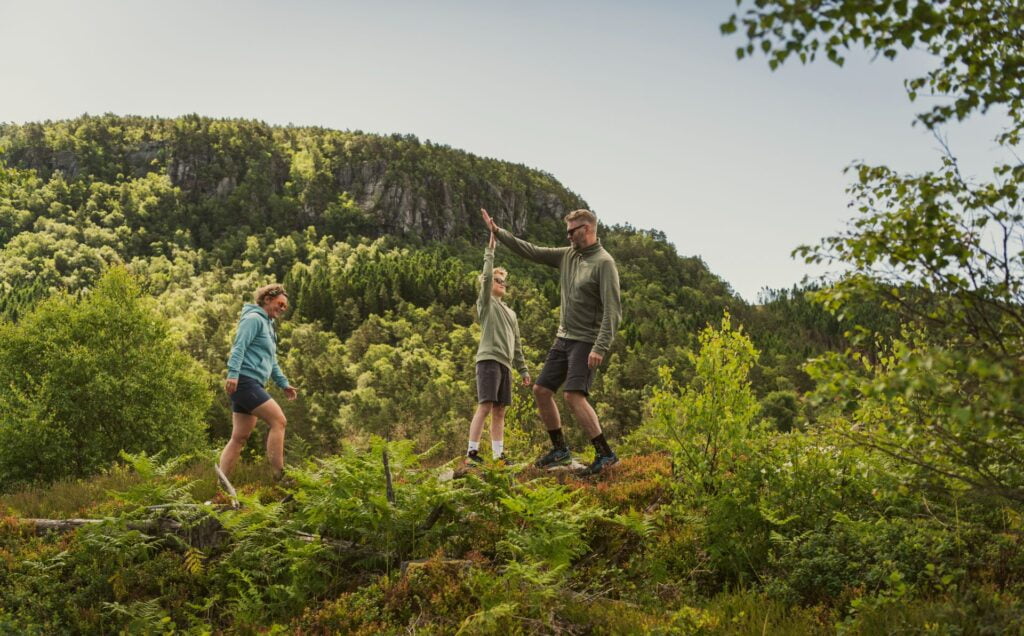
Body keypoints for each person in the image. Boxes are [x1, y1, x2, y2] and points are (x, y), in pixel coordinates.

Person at [481, 207, 622, 475]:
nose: (568, 236)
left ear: (587, 229)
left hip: (586, 340)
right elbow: (531, 251)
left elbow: (613, 311)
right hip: (563, 338)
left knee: (573, 395)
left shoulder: (604, 263)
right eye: (567, 231)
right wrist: (498, 233)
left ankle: (606, 454)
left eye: (572, 231)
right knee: (541, 391)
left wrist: (600, 347)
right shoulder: (567, 256)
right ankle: (560, 450)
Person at [465, 229, 532, 465]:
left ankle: (498, 455)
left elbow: (518, 345)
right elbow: (485, 277)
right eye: (498, 280)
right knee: (485, 405)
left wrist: (523, 370)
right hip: (488, 360)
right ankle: (472, 453)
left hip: (505, 364)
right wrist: (490, 250)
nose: (502, 284)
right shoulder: (486, 303)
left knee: (500, 410)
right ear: (489, 283)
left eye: (504, 281)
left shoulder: (511, 313)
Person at [219, 283, 299, 478]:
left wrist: (283, 384)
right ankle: (280, 476)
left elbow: (271, 361)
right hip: (245, 381)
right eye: (280, 304)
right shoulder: (254, 319)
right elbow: (239, 346)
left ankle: (222, 486)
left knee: (239, 437)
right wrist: (233, 374)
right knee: (278, 421)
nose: (282, 309)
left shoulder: (269, 327)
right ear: (267, 299)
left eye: (285, 307)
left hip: (251, 383)